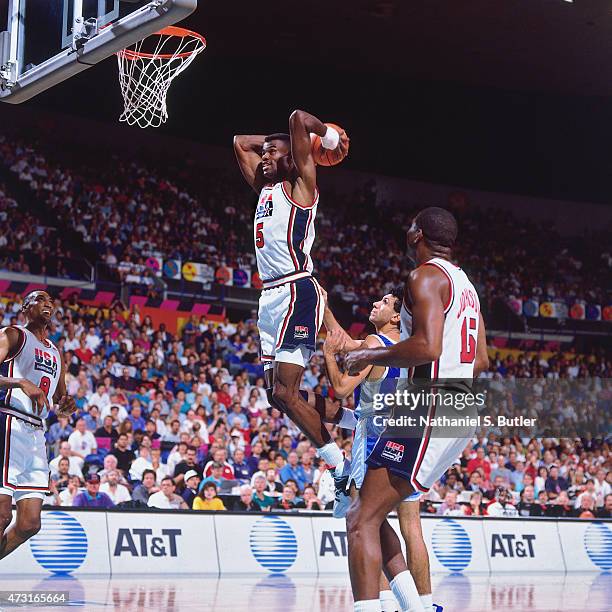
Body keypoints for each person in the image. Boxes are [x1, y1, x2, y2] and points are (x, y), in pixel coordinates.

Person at [343, 208, 489, 611]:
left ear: (417, 234)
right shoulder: (467, 286)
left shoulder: (425, 276)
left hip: (429, 404)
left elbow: (427, 347)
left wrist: (368, 356)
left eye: (410, 226)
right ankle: (417, 606)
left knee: (360, 520)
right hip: (461, 405)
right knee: (374, 515)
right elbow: (481, 360)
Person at [233, 111, 354, 504]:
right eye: (263, 153)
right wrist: (273, 142)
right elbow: (239, 141)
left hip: (295, 290)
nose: (263, 157)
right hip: (269, 297)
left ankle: (339, 466)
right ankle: (354, 421)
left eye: (273, 153)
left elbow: (298, 118)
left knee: (286, 393)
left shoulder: (300, 186)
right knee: (276, 394)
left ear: (294, 158)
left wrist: (324, 138)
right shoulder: (264, 188)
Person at [0, 290, 77, 560]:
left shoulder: (57, 353)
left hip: (36, 436)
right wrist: (20, 382)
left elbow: (60, 398)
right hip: (8, 422)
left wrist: (67, 404)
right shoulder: (13, 335)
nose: (47, 304)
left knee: (29, 524)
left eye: (50, 301)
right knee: (1, 514)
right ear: (25, 308)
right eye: (40, 299)